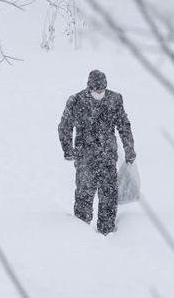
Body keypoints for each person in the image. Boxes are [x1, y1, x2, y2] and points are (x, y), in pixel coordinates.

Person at [57, 69, 136, 235]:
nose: (99, 93)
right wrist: (68, 149)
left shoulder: (115, 99)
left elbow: (124, 126)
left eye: (102, 90)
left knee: (108, 198)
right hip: (85, 159)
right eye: (96, 90)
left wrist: (129, 149)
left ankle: (107, 233)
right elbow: (64, 126)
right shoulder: (76, 101)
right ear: (89, 87)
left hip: (108, 158)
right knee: (84, 198)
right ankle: (80, 234)